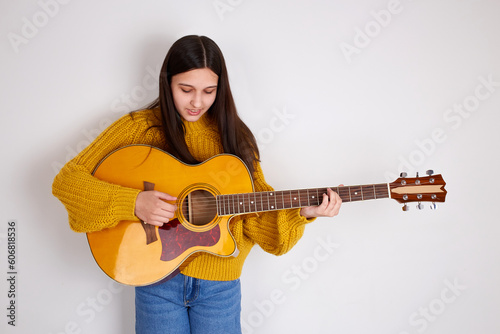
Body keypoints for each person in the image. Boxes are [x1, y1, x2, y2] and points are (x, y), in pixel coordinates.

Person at [52, 35, 342, 334]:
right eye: (186, 89)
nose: (197, 102)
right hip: (156, 281)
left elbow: (255, 219)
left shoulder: (236, 138)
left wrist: (302, 212)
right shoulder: (140, 127)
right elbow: (68, 180)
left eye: (209, 91)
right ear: (167, 83)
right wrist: (135, 202)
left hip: (221, 289)